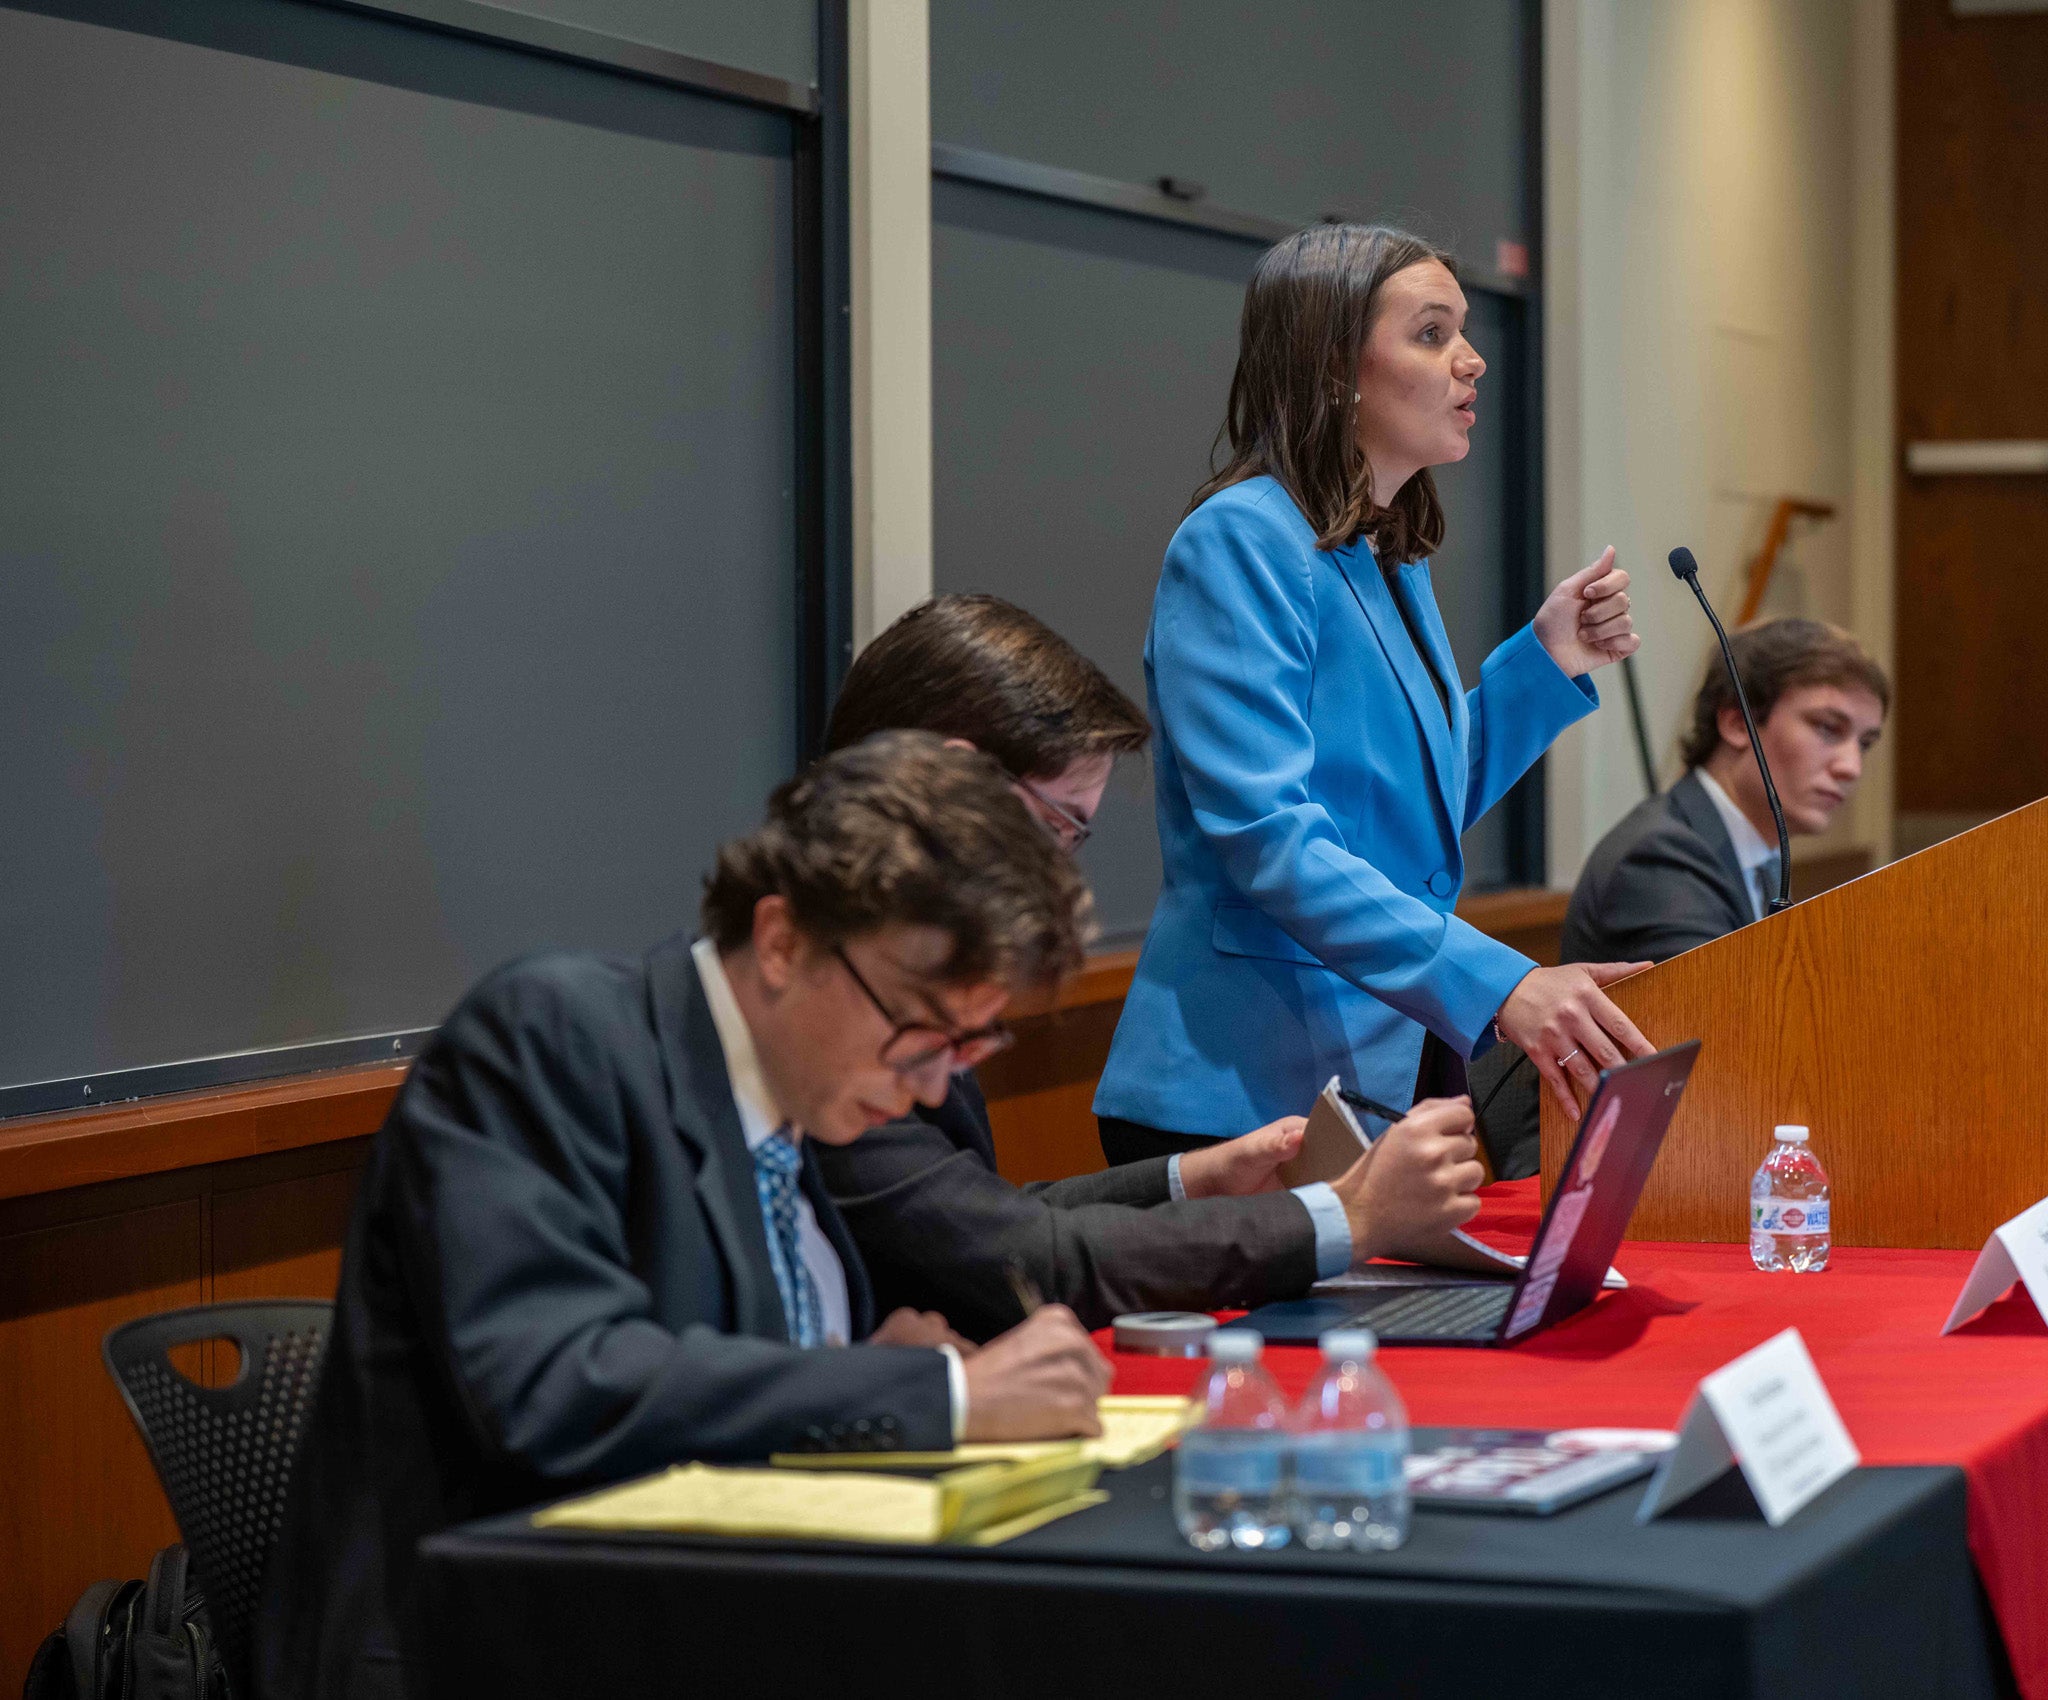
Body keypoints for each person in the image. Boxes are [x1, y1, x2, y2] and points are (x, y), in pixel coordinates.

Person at [260, 735, 1118, 1700]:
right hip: (499, 1652)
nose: (929, 1087)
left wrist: (856, 1358)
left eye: (969, 1044)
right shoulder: (553, 1036)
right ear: (786, 939)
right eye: (918, 1027)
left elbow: (718, 1347)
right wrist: (935, 1395)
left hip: (713, 1622)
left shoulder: (794, 1103)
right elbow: (557, 1386)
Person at [1093, 223, 1657, 1163]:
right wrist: (1501, 982)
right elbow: (1269, 837)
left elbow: (1409, 811)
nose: (1472, 362)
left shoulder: (1384, 556)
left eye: (1465, 332)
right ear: (1332, 366)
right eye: (1432, 334)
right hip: (1241, 1089)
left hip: (1373, 1074)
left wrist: (1547, 664)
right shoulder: (1241, 540)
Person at [814, 594, 1489, 1340]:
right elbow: (1020, 1258)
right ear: (956, 784)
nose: (1059, 877)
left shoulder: (901, 974)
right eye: (1056, 827)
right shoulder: (841, 1003)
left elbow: (976, 1215)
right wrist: (1343, 1218)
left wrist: (1194, 1180)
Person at [1564, 617, 1890, 965]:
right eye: (1828, 729)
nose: (1851, 767)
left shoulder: (1763, 859)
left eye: (1864, 743)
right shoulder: (1660, 859)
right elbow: (1732, 1016)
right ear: (1737, 724)